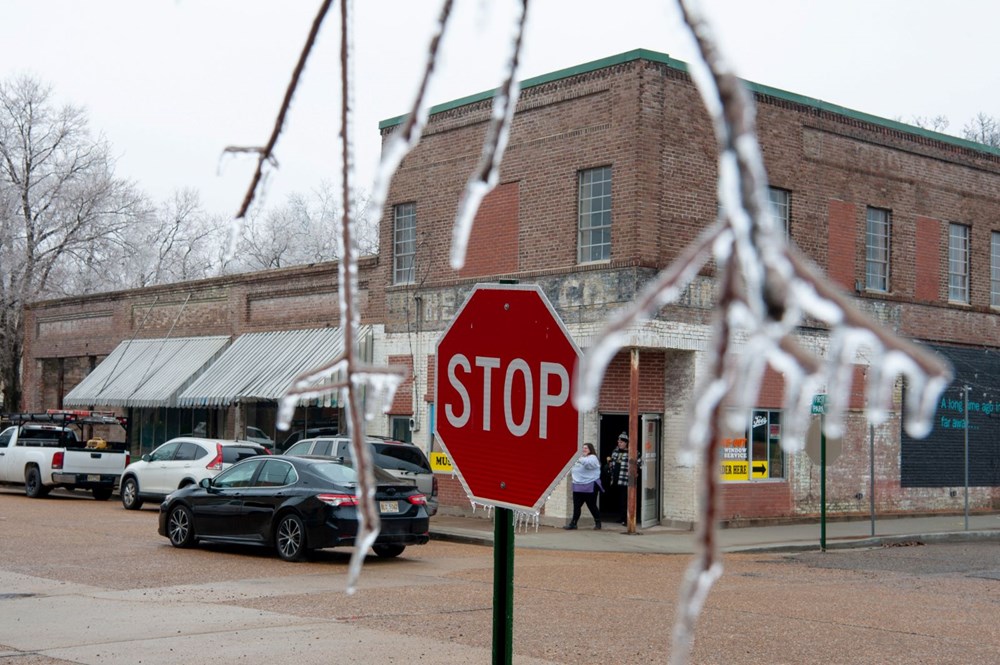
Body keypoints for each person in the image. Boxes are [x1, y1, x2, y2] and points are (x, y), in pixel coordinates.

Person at [564, 443, 602, 530]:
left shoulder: (593, 458)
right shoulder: (579, 458)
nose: (584, 449)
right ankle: (573, 523)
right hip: (577, 485)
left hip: (590, 485)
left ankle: (598, 522)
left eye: (586, 448)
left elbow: (588, 464)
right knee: (576, 506)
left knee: (591, 505)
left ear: (590, 450)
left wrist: (578, 457)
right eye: (583, 448)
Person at [608, 432, 630, 525]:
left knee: (625, 501)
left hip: (625, 480)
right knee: (619, 500)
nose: (619, 443)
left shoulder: (631, 452)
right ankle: (621, 517)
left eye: (621, 442)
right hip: (616, 479)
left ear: (626, 443)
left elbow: (638, 463)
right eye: (618, 442)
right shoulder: (615, 451)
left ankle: (627, 519)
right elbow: (612, 463)